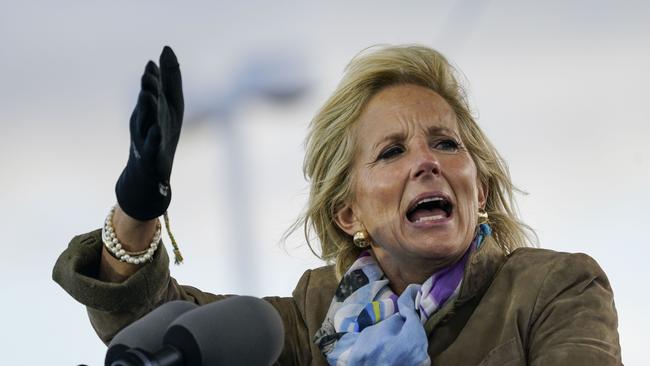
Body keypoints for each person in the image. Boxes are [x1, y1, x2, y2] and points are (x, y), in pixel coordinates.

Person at [53, 45, 622, 365]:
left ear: (482, 189)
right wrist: (138, 206)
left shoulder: (554, 287)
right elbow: (155, 327)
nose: (427, 162)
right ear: (348, 215)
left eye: (446, 143)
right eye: (392, 151)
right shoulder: (314, 319)